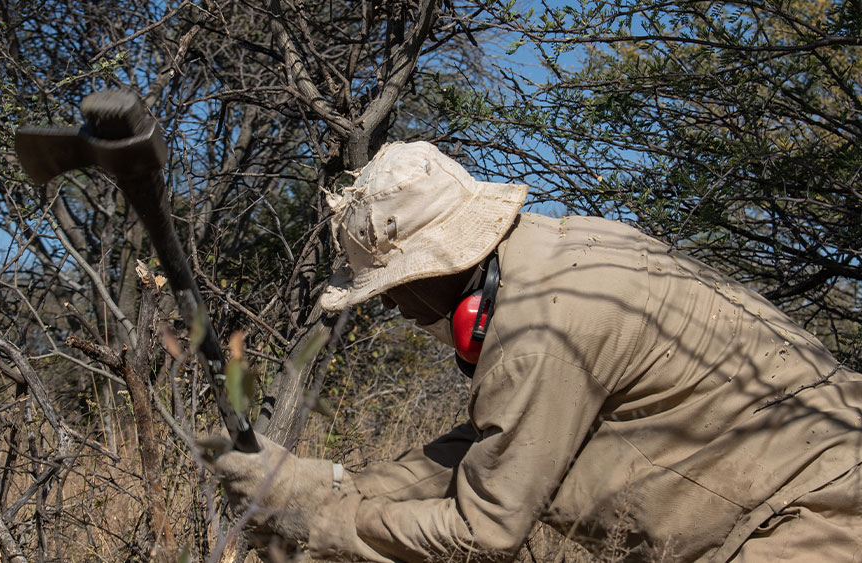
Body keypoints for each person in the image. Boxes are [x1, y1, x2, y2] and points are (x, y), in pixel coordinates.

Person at [213, 141, 862, 562]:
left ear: (444, 264)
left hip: (810, 523)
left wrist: (320, 522)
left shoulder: (538, 331)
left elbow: (482, 534)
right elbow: (484, 448)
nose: (389, 306)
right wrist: (318, 484)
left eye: (394, 286)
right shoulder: (555, 259)